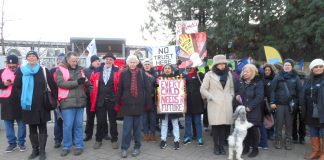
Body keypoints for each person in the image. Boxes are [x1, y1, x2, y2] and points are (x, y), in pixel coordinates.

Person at [15, 51, 58, 160]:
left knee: (42, 127)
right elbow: (17, 86)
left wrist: (56, 99)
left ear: (37, 58)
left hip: (42, 104)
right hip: (28, 105)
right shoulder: (21, 71)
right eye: (29, 56)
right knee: (32, 128)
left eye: (33, 56)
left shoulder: (43, 70)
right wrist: (23, 97)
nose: (31, 58)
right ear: (27, 59)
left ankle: (42, 151)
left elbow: (52, 86)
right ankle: (35, 150)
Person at [115, 54, 151, 158]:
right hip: (127, 106)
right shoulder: (123, 74)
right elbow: (120, 90)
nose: (132, 64)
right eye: (130, 62)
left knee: (137, 129)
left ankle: (137, 147)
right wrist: (117, 103)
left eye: (134, 62)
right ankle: (124, 148)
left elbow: (148, 89)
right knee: (126, 129)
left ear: (137, 63)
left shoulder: (142, 73)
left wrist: (148, 103)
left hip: (139, 105)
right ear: (128, 63)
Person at [200, 55, 234, 155]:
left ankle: (221, 146)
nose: (222, 66)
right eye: (220, 64)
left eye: (224, 63)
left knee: (224, 126)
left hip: (226, 104)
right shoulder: (209, 74)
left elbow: (231, 87)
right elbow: (203, 89)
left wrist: (231, 96)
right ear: (215, 65)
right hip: (214, 104)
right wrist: (210, 97)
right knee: (215, 127)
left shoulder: (228, 74)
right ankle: (216, 146)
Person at [56, 52, 87, 157]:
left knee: (79, 125)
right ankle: (66, 146)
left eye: (76, 60)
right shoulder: (60, 69)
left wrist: (87, 83)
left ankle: (79, 146)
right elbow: (61, 83)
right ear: (67, 60)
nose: (75, 62)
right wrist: (77, 82)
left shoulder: (81, 69)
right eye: (73, 60)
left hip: (80, 101)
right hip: (67, 101)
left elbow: (84, 82)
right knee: (68, 126)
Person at [270, 59, 302, 150]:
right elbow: (272, 90)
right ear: (283, 66)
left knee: (289, 124)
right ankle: (278, 139)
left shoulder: (296, 77)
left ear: (292, 67)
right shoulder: (278, 76)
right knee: (279, 123)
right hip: (279, 104)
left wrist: (299, 104)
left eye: (289, 65)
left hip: (290, 105)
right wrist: (272, 102)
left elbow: (299, 92)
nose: (287, 66)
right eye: (285, 65)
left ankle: (288, 140)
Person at [89, 53, 119, 149]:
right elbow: (91, 82)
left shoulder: (117, 71)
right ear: (104, 60)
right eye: (107, 59)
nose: (108, 61)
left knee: (113, 121)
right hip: (100, 100)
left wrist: (116, 98)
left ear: (113, 61)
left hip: (112, 100)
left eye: (110, 59)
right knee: (100, 121)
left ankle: (114, 140)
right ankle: (98, 140)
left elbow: (119, 86)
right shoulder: (97, 70)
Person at [236, 64, 264, 158]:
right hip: (243, 110)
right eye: (244, 71)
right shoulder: (242, 82)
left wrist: (250, 106)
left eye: (247, 71)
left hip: (253, 110)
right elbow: (239, 92)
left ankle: (255, 149)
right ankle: (246, 147)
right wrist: (238, 96)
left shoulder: (258, 82)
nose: (245, 73)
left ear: (252, 72)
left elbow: (259, 97)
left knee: (253, 130)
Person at [0, 55, 26, 153]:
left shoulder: (23, 71)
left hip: (19, 100)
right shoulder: (1, 71)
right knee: (8, 123)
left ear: (17, 63)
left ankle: (21, 143)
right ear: (7, 63)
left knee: (21, 122)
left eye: (13, 63)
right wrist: (4, 84)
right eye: (9, 63)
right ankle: (12, 143)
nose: (11, 65)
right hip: (6, 101)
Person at [84, 55, 111, 142]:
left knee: (102, 118)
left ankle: (105, 133)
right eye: (95, 61)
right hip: (90, 99)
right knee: (90, 118)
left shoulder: (103, 70)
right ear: (92, 62)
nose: (98, 62)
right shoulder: (86, 71)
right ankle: (88, 134)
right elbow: (85, 83)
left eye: (98, 61)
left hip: (100, 99)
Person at [301, 58, 324, 160]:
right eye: (316, 67)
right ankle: (316, 152)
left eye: (320, 66)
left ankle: (323, 154)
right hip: (310, 111)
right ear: (312, 69)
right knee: (313, 131)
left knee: (323, 132)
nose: (318, 68)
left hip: (323, 111)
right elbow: (303, 94)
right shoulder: (307, 80)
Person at [157, 64, 182, 150]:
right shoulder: (159, 79)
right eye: (165, 68)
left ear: (171, 70)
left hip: (173, 104)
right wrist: (157, 84)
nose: (167, 70)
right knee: (164, 123)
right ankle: (163, 140)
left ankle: (176, 140)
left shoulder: (177, 78)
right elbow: (156, 90)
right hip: (163, 104)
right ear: (163, 70)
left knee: (175, 123)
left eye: (169, 68)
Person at [183, 66, 205, 146]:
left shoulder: (200, 75)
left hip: (197, 102)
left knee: (198, 122)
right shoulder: (183, 76)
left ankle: (199, 137)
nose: (189, 68)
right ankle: (187, 136)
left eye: (191, 67)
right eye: (188, 67)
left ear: (195, 67)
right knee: (187, 121)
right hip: (187, 101)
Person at [50, 53, 65, 149]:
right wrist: (55, 99)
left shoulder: (68, 70)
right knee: (58, 120)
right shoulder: (52, 71)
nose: (60, 62)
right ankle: (57, 139)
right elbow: (50, 86)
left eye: (62, 60)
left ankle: (69, 138)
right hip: (57, 100)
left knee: (68, 121)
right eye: (59, 60)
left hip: (67, 99)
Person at [141, 58, 158, 142]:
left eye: (148, 64)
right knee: (144, 119)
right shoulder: (140, 73)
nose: (147, 66)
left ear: (150, 66)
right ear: (143, 66)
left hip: (152, 99)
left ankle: (153, 134)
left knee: (152, 119)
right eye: (145, 64)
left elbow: (157, 84)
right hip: (143, 100)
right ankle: (146, 134)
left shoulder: (155, 74)